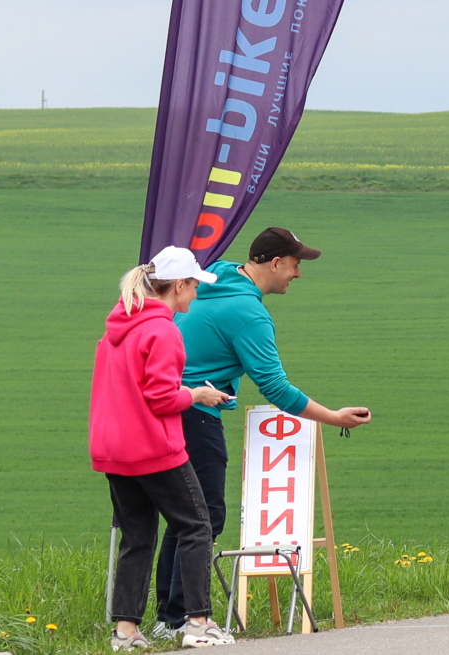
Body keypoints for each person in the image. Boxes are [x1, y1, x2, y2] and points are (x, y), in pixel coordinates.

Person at [153, 228, 372, 634]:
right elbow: (274, 387)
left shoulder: (216, 276)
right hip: (195, 414)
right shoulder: (248, 313)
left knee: (184, 514)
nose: (298, 274)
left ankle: (169, 616)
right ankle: (184, 619)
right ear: (275, 264)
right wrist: (335, 417)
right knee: (204, 515)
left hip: (165, 406)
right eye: (295, 265)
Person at [90, 246, 236, 649]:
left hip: (113, 450)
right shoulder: (163, 330)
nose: (195, 295)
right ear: (177, 286)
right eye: (193, 287)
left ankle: (125, 631)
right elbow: (160, 398)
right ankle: (198, 624)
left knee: (138, 537)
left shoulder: (117, 329)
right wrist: (196, 396)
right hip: (154, 448)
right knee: (196, 526)